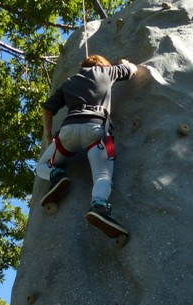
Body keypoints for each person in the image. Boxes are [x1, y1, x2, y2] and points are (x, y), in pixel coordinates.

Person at [35, 54, 138, 238]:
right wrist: (125, 63)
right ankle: (98, 205)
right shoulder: (107, 71)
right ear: (101, 64)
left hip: (68, 132)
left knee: (41, 166)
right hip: (96, 129)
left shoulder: (69, 82)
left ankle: (56, 175)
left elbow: (47, 109)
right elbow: (132, 70)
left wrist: (49, 137)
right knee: (102, 175)